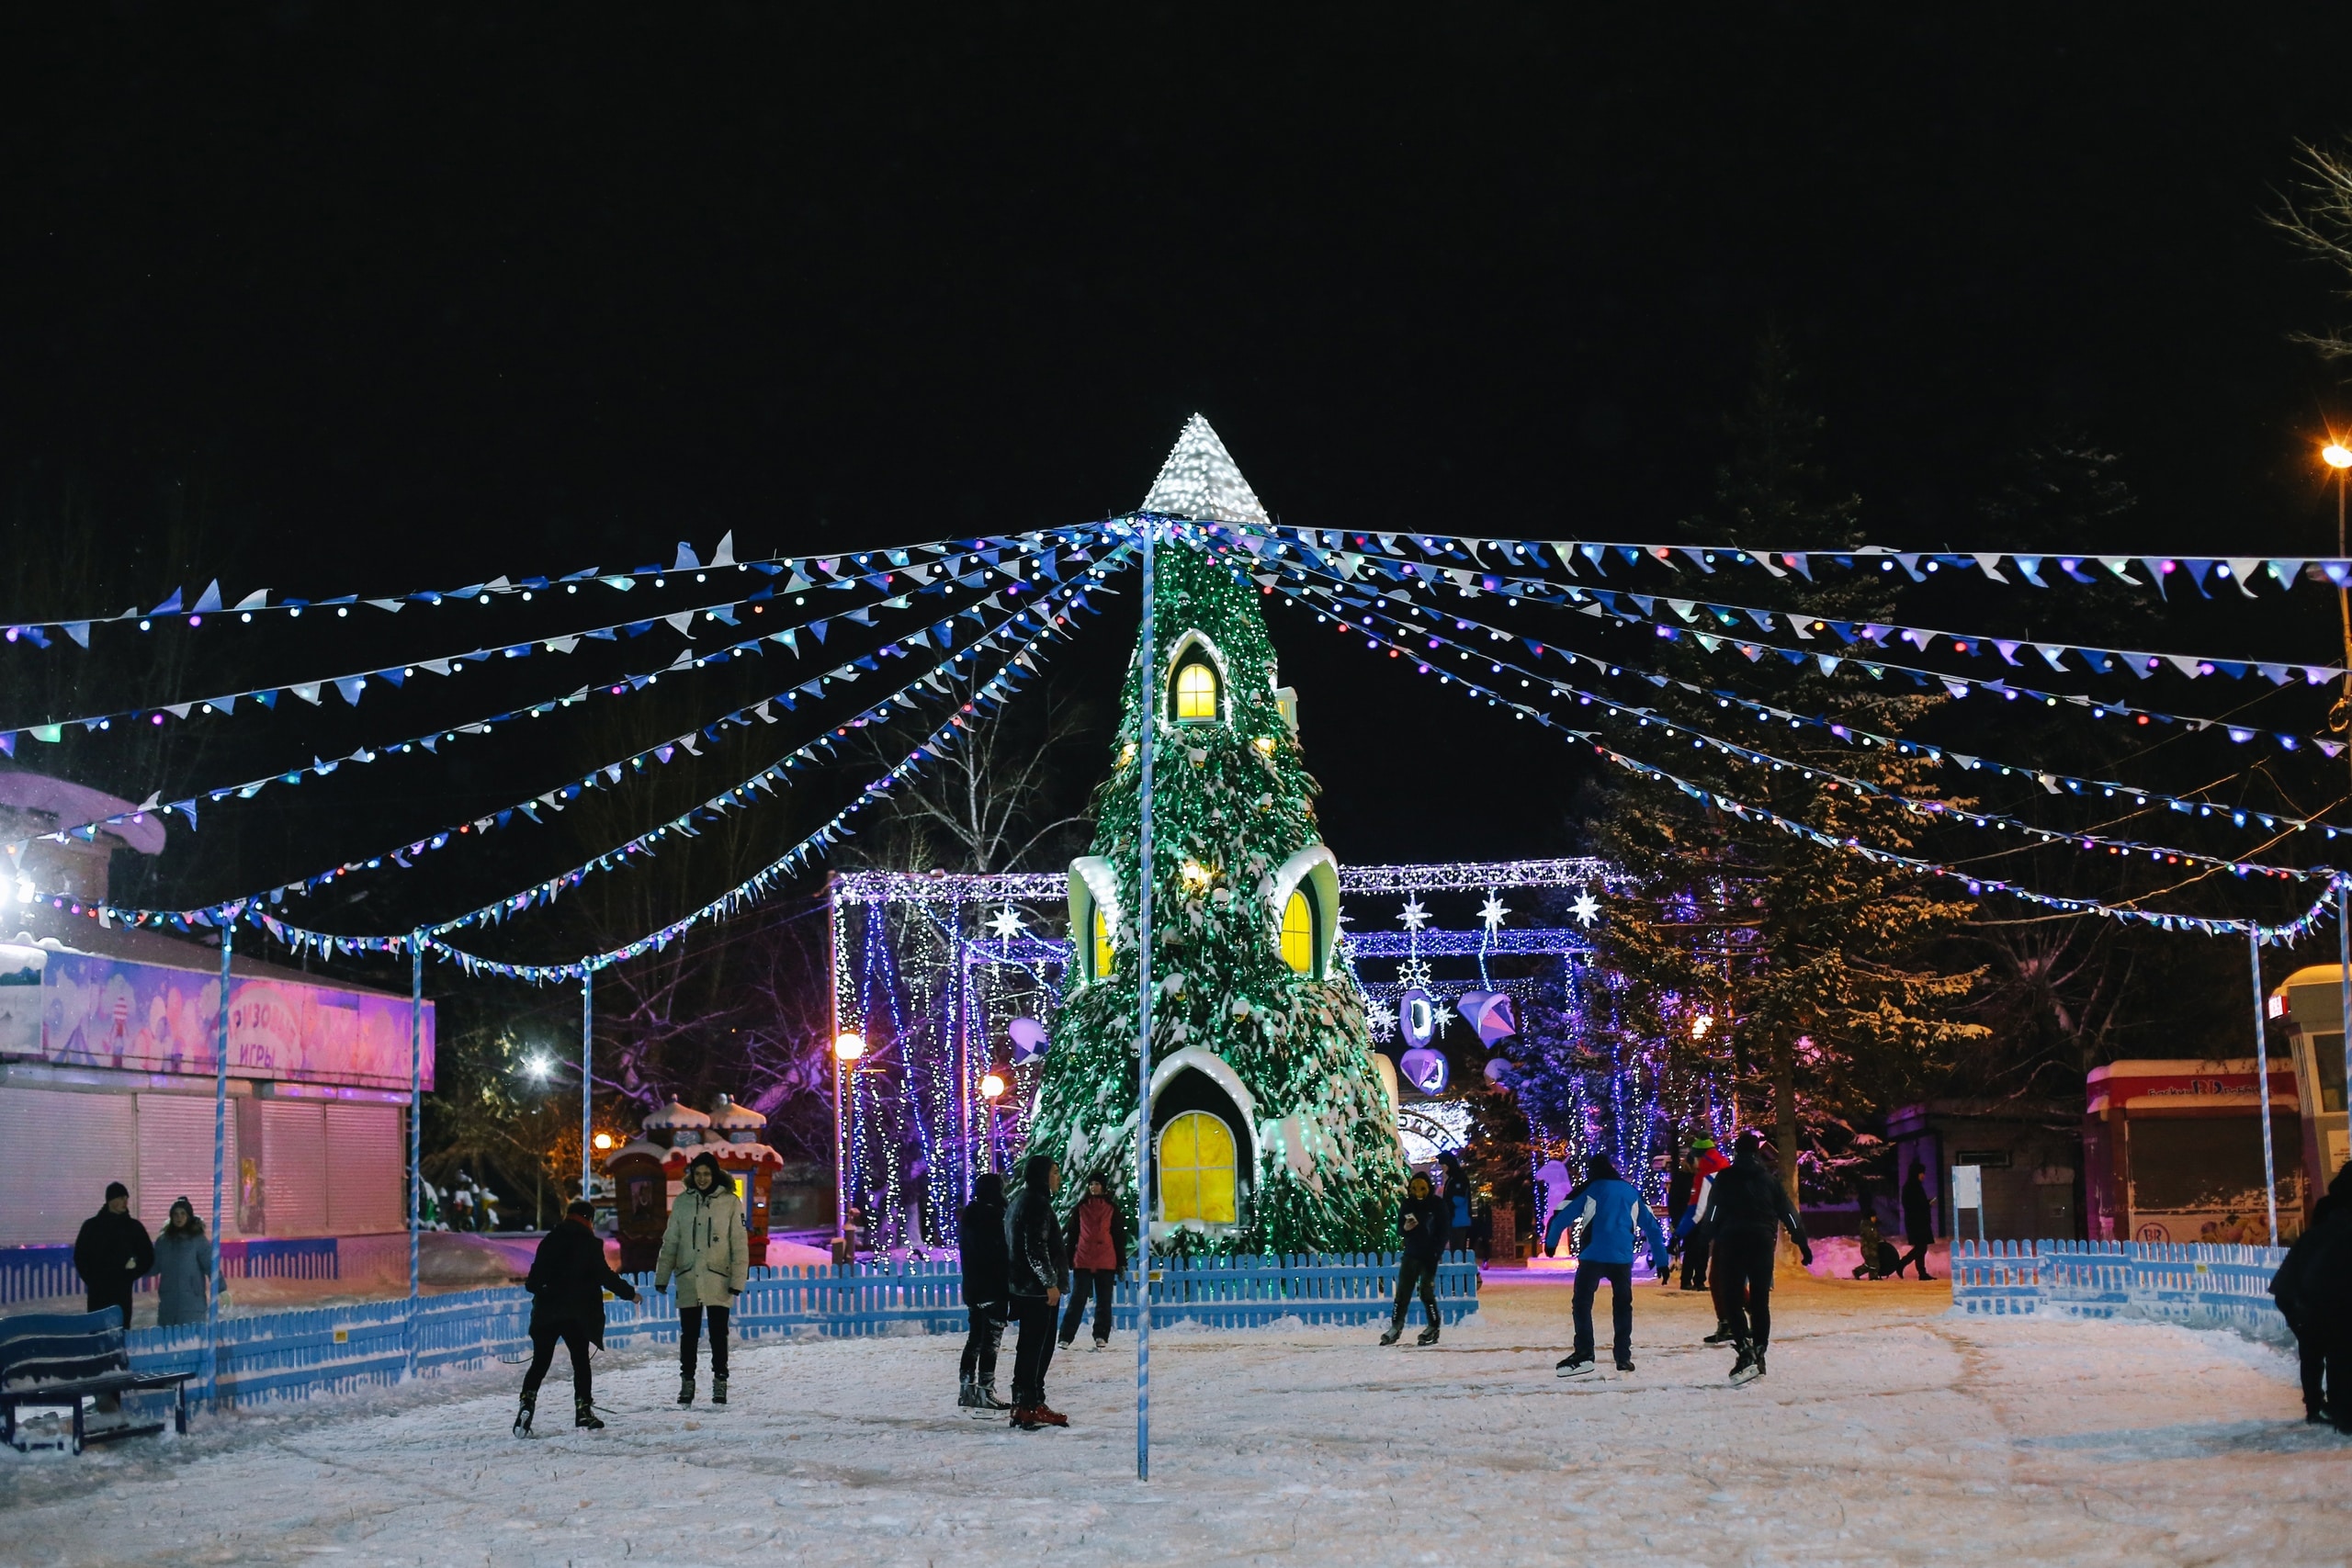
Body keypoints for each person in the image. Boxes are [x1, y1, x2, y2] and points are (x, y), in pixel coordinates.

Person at [514, 1198, 639, 1434]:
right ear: (589, 1219)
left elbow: (532, 1283)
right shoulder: (589, 1243)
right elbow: (605, 1275)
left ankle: (527, 1403)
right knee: (580, 1362)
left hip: (546, 1312)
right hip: (577, 1314)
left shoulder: (549, 1240)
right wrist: (630, 1293)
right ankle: (583, 1410)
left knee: (540, 1363)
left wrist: (547, 1290)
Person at [1696, 1133, 1812, 1383]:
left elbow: (1712, 1214)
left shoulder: (1724, 1178)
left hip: (1732, 1242)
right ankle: (1759, 1351)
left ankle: (1745, 1350)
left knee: (1733, 1298)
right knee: (1760, 1300)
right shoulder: (1768, 1181)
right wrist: (1802, 1242)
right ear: (1757, 1153)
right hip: (1761, 1243)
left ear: (1736, 1152)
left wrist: (1704, 1239)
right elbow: (1789, 1214)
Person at [1544, 1153, 1668, 1375]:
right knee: (1622, 1306)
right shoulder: (1630, 1192)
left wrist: (1551, 1243)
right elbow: (1652, 1227)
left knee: (1582, 1303)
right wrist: (1662, 1261)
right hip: (1621, 1258)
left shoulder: (1591, 1188)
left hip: (1592, 1255)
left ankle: (1585, 1352)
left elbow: (1562, 1216)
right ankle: (1623, 1357)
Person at [655, 1152, 748, 1406]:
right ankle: (687, 1381)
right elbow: (671, 1240)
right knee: (689, 1334)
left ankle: (720, 1381)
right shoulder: (682, 1202)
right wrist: (662, 1275)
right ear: (692, 1176)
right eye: (698, 1174)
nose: (703, 1178)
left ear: (715, 1174)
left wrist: (738, 1280)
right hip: (688, 1276)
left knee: (719, 1333)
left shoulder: (730, 1202)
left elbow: (739, 1244)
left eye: (707, 1173)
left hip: (718, 1276)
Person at [2271, 1163, 2352, 1424]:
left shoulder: (2326, 1217)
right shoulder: (2338, 1232)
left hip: (2300, 1291)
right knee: (2336, 1350)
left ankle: (2321, 1407)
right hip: (2310, 1294)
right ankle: (2336, 1410)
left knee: (2319, 1351)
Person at [1003, 1154, 1069, 1429]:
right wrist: (1050, 1284)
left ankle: (1023, 1403)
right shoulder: (1037, 1204)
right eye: (1054, 1172)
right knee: (1038, 1348)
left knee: (1028, 1347)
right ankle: (1031, 1403)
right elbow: (1035, 1249)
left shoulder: (1019, 1201)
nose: (1058, 1177)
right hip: (1036, 1292)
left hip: (1022, 1287)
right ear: (1042, 1175)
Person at [958, 1173, 1012, 1411]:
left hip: (973, 1287)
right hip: (992, 1286)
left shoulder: (969, 1216)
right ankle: (985, 1391)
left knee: (975, 1340)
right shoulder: (995, 1217)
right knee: (991, 1341)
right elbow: (1000, 1254)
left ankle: (966, 1389)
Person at [1380, 1172, 1450, 1347]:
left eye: (1422, 1188)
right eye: (1414, 1189)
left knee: (1426, 1291)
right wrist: (1405, 1227)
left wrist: (1436, 1251)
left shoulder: (1437, 1205)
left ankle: (1433, 1326)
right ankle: (1396, 1326)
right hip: (1411, 1254)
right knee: (1402, 1292)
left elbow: (1443, 1231)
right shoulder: (1407, 1204)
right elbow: (1400, 1230)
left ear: (1428, 1188)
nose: (1418, 1192)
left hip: (1429, 1255)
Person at [1057, 1173, 1124, 1350]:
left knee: (1103, 1301)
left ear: (1103, 1186)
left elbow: (1118, 1236)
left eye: (1097, 1184)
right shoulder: (1081, 1208)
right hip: (1084, 1259)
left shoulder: (1111, 1208)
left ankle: (1101, 1335)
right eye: (1091, 1184)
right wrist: (1069, 1257)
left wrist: (1121, 1262)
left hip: (1106, 1260)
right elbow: (1073, 1235)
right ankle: (1065, 1336)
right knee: (1077, 1300)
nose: (1093, 1187)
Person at [74, 1181, 153, 1327]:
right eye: (121, 1198)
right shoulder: (92, 1226)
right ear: (110, 1200)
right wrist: (92, 1280)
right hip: (98, 1292)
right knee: (98, 1334)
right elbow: (81, 1257)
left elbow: (147, 1256)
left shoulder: (133, 1227)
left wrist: (131, 1274)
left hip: (122, 1292)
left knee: (119, 1334)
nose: (125, 1202)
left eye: (126, 1198)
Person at [1678, 1134, 1730, 1295]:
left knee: (1693, 1248)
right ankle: (1699, 1280)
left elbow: (1696, 1207)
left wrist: (1680, 1230)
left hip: (1698, 1217)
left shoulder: (1703, 1174)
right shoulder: (1723, 1165)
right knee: (1702, 1248)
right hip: (1713, 1215)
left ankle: (1688, 1280)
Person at [153, 1197, 209, 1328]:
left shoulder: (197, 1240)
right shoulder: (164, 1241)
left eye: (183, 1214)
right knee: (168, 1343)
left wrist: (221, 1289)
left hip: (192, 1302)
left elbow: (210, 1265)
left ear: (189, 1216)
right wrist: (136, 1264)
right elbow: (154, 1266)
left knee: (192, 1342)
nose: (179, 1217)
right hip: (168, 1303)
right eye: (176, 1214)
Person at [1894, 1165, 1935, 1280]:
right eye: (1921, 1173)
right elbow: (1913, 1205)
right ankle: (1902, 1264)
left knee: (1921, 1247)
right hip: (1917, 1222)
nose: (1923, 1175)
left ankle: (1922, 1273)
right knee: (1921, 1248)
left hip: (1918, 1221)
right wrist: (1927, 1204)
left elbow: (1917, 1203)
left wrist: (1926, 1203)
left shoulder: (1914, 1186)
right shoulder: (1912, 1187)